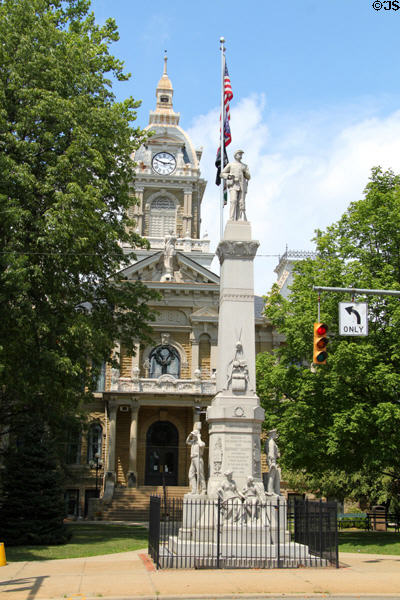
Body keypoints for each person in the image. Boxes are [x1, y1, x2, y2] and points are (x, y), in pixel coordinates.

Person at [221, 150, 251, 221]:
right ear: (235, 155)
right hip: (233, 185)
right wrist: (230, 176)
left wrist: (245, 172)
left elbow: (249, 177)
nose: (240, 155)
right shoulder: (231, 164)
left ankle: (238, 218)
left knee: (240, 202)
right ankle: (231, 218)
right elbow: (222, 174)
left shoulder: (245, 166)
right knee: (233, 201)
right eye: (239, 154)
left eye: (241, 154)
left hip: (242, 186)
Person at [186, 428, 206, 494]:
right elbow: (187, 441)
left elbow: (201, 445)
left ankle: (203, 489)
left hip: (198, 459)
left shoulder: (201, 443)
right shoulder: (193, 442)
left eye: (194, 435)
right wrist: (190, 435)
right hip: (193, 459)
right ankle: (194, 490)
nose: (193, 436)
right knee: (190, 475)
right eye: (193, 435)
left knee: (200, 475)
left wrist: (198, 437)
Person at [265, 429, 281, 495]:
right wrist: (273, 462)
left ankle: (275, 491)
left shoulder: (270, 441)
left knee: (275, 475)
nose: (276, 435)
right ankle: (270, 491)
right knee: (272, 476)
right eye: (274, 434)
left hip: (272, 460)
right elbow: (271, 453)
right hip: (272, 461)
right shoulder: (271, 442)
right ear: (271, 434)